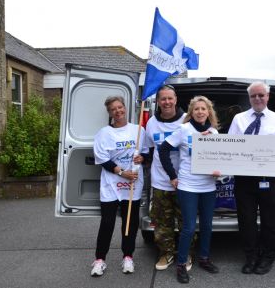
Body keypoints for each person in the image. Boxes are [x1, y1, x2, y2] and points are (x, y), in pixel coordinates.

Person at [228, 81, 275, 275]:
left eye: (260, 95)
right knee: (246, 220)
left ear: (267, 97)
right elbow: (229, 146)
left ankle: (267, 257)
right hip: (244, 179)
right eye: (253, 96)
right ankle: (251, 257)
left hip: (269, 178)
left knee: (270, 220)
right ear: (249, 98)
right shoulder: (239, 119)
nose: (257, 99)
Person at [159, 95, 221, 284]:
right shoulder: (183, 129)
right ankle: (181, 264)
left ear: (209, 112)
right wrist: (172, 176)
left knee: (207, 225)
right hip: (187, 185)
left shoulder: (214, 133)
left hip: (208, 186)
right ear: (191, 112)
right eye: (197, 109)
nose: (200, 112)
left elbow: (221, 159)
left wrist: (220, 172)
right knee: (188, 227)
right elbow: (163, 150)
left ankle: (203, 258)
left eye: (204, 109)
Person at [90, 96, 149, 277]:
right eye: (113, 109)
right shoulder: (103, 133)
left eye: (120, 107)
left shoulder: (138, 130)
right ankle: (100, 260)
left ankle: (128, 256)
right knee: (107, 223)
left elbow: (146, 153)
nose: (118, 111)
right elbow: (102, 160)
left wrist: (142, 158)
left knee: (130, 223)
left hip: (132, 185)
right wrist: (123, 172)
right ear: (109, 113)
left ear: (125, 108)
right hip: (111, 185)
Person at [144, 85, 194, 271]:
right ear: (158, 102)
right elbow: (149, 150)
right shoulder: (151, 123)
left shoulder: (186, 121)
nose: (166, 102)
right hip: (160, 182)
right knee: (163, 223)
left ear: (176, 99)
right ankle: (166, 253)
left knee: (186, 222)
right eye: (163, 99)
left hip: (185, 182)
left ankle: (186, 254)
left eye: (169, 98)